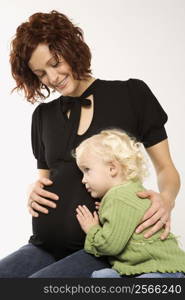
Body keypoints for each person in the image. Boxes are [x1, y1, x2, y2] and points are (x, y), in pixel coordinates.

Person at [0, 10, 180, 277]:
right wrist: (34, 189)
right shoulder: (42, 116)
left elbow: (166, 169)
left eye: (55, 62)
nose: (52, 78)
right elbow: (46, 180)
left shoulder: (131, 95)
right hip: (44, 246)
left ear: (71, 49)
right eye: (41, 73)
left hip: (104, 247)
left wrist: (166, 200)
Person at [74, 129, 185, 278]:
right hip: (146, 268)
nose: (83, 179)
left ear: (112, 168)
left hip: (161, 270)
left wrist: (92, 229)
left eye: (87, 170)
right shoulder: (130, 191)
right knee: (103, 276)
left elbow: (110, 246)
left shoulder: (118, 197)